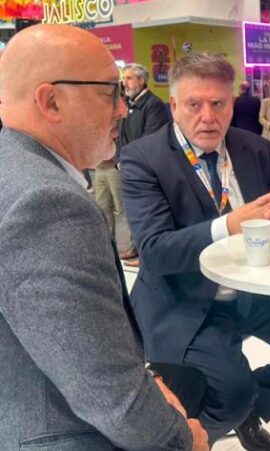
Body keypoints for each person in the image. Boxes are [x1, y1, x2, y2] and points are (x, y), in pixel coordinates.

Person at [119, 52, 270, 449]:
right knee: (229, 393)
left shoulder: (254, 149)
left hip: (256, 291)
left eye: (218, 104)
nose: (208, 117)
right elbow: (155, 251)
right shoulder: (143, 158)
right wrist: (232, 224)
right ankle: (192, 438)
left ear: (232, 104)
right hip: (187, 299)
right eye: (194, 105)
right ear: (174, 106)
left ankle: (253, 408)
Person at [0, 24, 208, 451]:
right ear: (51, 101)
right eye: (109, 92)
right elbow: (115, 402)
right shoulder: (47, 204)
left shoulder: (16, 170)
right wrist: (184, 440)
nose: (123, 109)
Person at [116, 62, 170, 264]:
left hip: (147, 168)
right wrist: (120, 159)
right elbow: (120, 135)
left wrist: (132, 161)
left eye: (129, 78)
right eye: (124, 78)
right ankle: (135, 245)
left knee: (147, 210)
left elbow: (151, 138)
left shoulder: (153, 105)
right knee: (131, 208)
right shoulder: (128, 105)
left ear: (141, 80)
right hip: (128, 165)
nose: (125, 83)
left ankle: (144, 251)